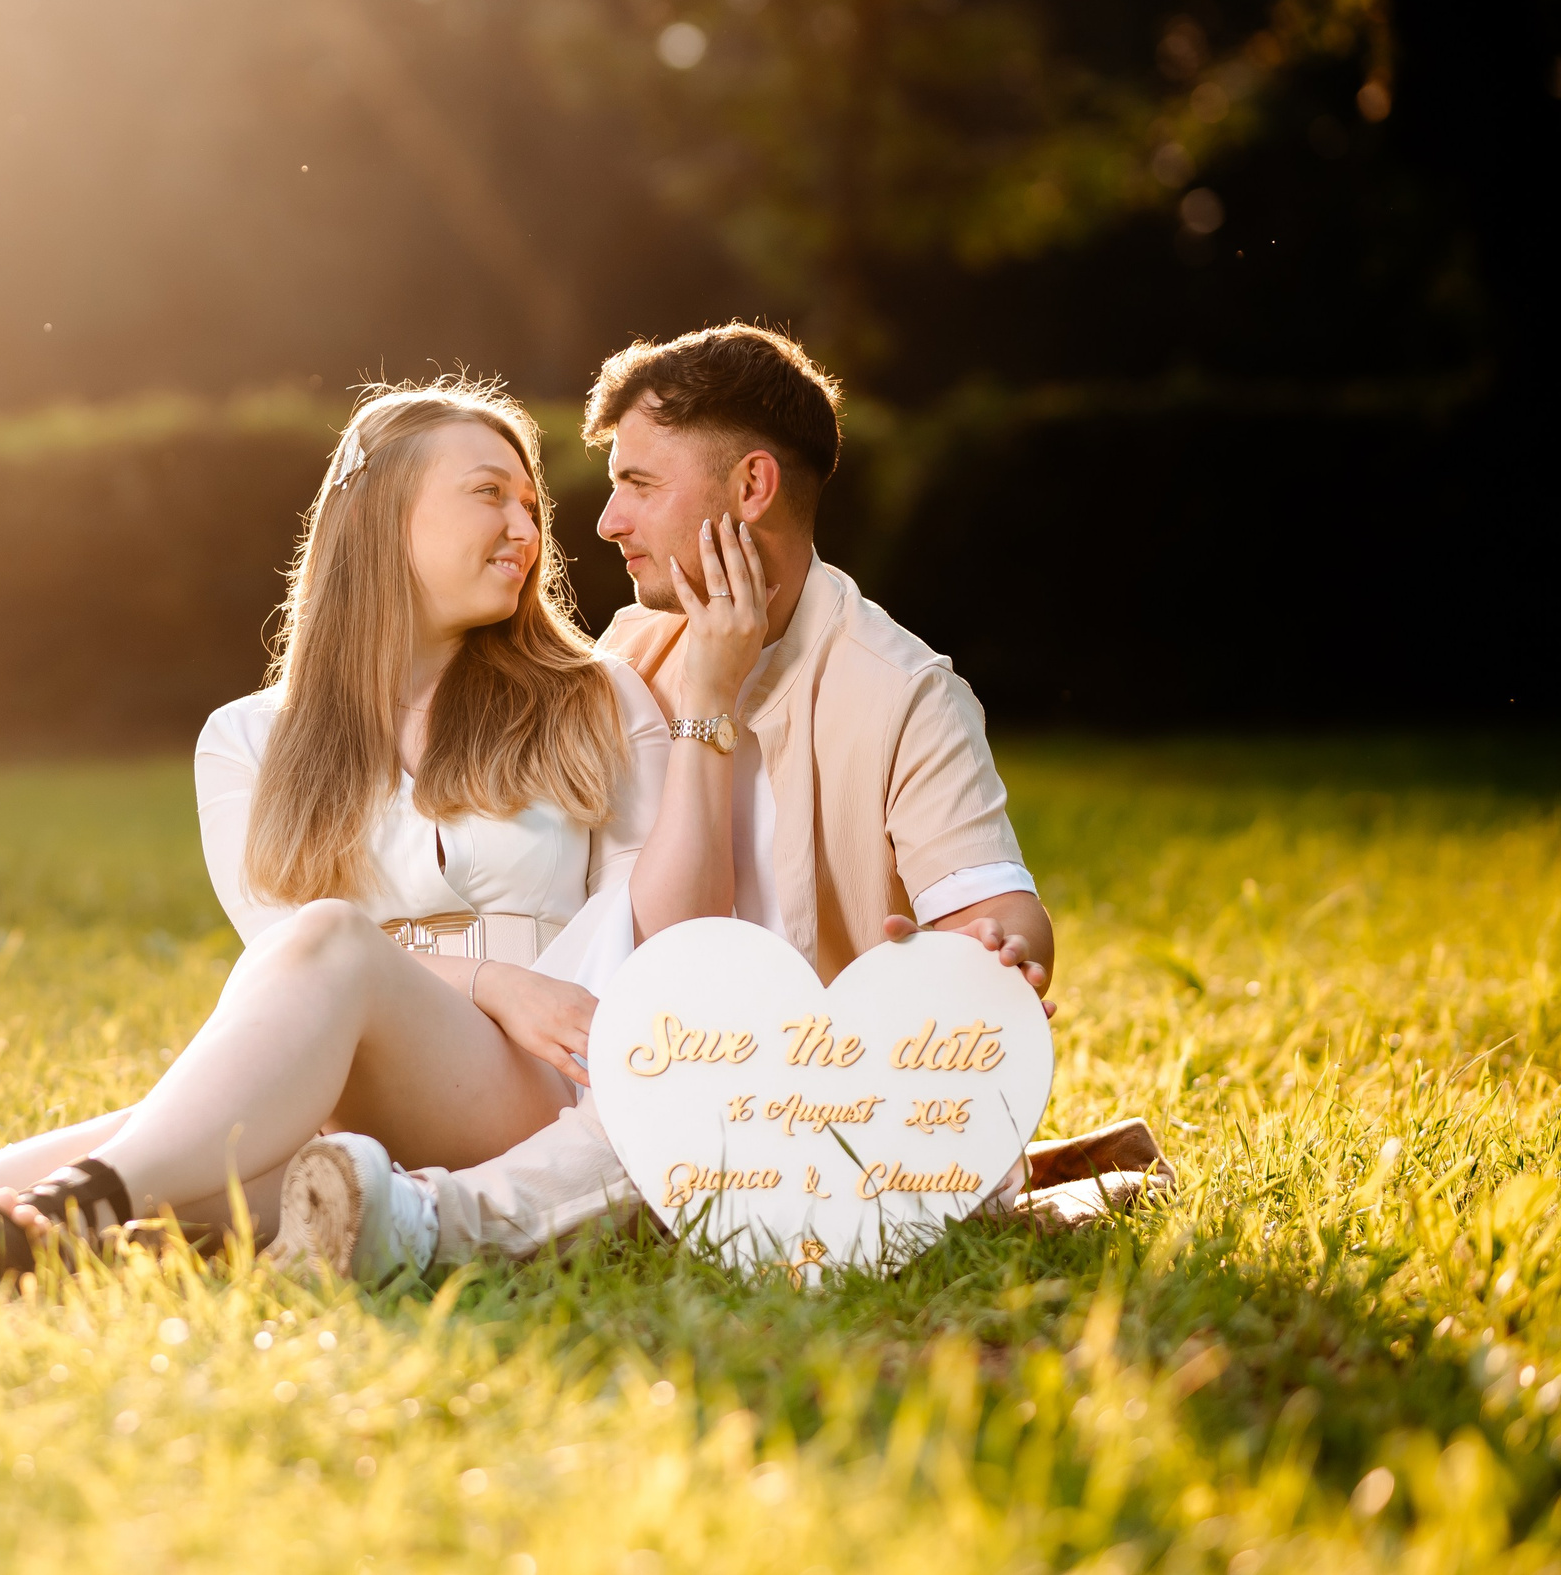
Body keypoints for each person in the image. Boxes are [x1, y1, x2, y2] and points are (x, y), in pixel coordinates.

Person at [0, 375, 769, 1302]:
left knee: (319, 954)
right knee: (225, 1156)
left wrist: (710, 701)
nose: (526, 531)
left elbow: (679, 937)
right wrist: (484, 980)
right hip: (341, 1111)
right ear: (381, 513)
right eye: (488, 493)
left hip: (540, 1091)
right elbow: (283, 968)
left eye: (531, 504)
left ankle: (65, 1205)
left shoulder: (591, 696)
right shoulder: (246, 744)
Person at [266, 322, 1120, 1280]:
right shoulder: (628, 656)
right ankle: (120, 1192)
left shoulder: (903, 692)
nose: (604, 523)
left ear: (751, 488)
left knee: (686, 1093)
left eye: (639, 484)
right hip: (585, 1061)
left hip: (787, 1095)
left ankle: (426, 1224)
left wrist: (997, 951)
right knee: (636, 1081)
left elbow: (997, 912)